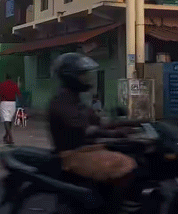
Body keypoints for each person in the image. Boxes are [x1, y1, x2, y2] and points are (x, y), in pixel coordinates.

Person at [48, 53, 139, 214]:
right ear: (71, 77)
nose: (87, 78)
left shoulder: (76, 100)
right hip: (73, 155)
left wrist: (133, 123)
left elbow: (99, 123)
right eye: (82, 74)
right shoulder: (62, 102)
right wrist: (115, 134)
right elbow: (85, 129)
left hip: (88, 150)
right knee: (126, 164)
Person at [0, 74, 21, 145]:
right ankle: (6, 136)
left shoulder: (2, 84)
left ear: (5, 78)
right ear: (11, 78)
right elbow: (19, 94)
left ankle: (10, 138)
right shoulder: (14, 85)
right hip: (12, 103)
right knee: (10, 120)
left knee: (6, 120)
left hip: (4, 103)